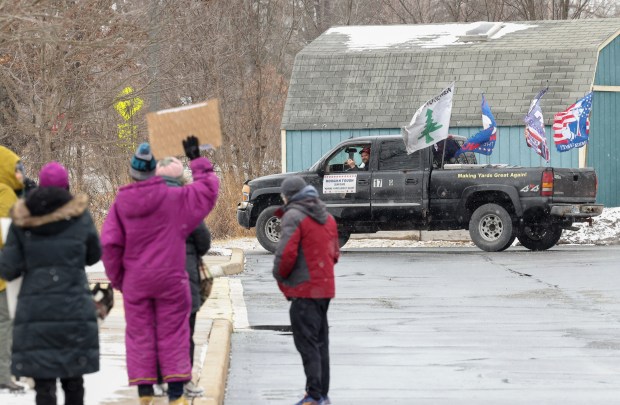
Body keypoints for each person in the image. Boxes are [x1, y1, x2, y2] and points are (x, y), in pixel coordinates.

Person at [101, 137, 218, 405]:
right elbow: (208, 191)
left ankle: (145, 396)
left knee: (140, 335)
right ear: (154, 171)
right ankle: (176, 397)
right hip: (171, 280)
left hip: (136, 281)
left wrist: (120, 279)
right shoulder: (174, 198)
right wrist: (196, 158)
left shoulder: (121, 203)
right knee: (174, 333)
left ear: (132, 173)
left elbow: (109, 245)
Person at [0, 161, 102, 404]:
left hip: (36, 311)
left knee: (44, 382)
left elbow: (8, 269)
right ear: (66, 186)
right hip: (73, 307)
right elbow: (94, 255)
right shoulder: (80, 217)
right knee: (73, 380)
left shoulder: (22, 219)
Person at [272, 176, 339, 405]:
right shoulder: (327, 217)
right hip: (325, 289)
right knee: (321, 342)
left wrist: (280, 276)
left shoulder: (294, 216)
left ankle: (313, 395)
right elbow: (335, 254)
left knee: (307, 343)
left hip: (303, 290)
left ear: (287, 196)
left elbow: (286, 255)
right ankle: (322, 394)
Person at [155, 157, 211, 398]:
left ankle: (157, 380)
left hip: (155, 278)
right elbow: (204, 241)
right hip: (184, 278)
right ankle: (184, 380)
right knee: (185, 333)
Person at [0, 145, 26, 393]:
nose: (21, 175)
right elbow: (11, 233)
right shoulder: (5, 193)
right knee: (4, 322)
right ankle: (3, 375)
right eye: (17, 170)